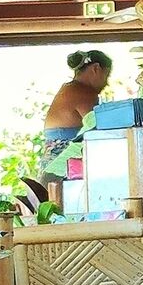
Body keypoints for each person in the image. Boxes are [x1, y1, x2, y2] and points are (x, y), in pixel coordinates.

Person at [33, 49, 112, 203]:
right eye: (106, 75)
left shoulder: (69, 89)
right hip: (60, 172)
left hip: (51, 170)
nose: (107, 82)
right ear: (96, 68)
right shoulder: (83, 92)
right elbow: (101, 127)